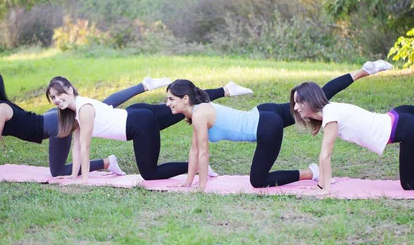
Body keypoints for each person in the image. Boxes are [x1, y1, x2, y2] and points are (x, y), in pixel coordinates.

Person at [165, 61, 393, 190]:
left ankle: (310, 172)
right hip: (264, 112)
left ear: (186, 99)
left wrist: (201, 187)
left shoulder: (199, 114)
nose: (167, 104)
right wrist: (188, 181)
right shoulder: (200, 111)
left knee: (258, 181)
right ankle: (363, 71)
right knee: (317, 99)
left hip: (266, 126)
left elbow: (204, 153)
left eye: (171, 99)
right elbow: (195, 150)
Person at [0, 71, 173, 179]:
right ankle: (143, 85)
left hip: (52, 126)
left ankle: (107, 162)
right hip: (48, 118)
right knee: (104, 105)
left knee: (57, 171)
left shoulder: (0, 109)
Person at [45, 76, 253, 184]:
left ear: (70, 90)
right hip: (136, 115)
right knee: (182, 107)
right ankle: (226, 90)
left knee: (150, 174)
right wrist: (74, 177)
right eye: (52, 98)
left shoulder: (84, 109)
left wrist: (83, 180)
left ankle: (198, 165)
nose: (56, 100)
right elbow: (77, 146)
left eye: (59, 94)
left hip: (139, 124)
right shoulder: (74, 111)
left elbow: (85, 147)